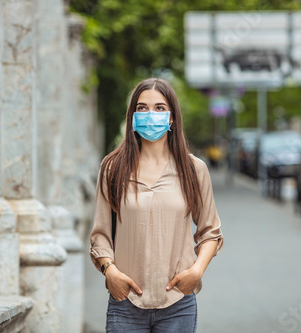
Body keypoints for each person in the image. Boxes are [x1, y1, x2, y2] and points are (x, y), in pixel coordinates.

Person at [89, 77, 224, 333]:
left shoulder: (194, 169)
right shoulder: (112, 167)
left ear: (172, 118)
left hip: (178, 303)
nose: (150, 114)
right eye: (142, 108)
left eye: (160, 108)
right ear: (132, 116)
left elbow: (210, 232)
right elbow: (100, 235)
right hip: (124, 301)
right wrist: (110, 272)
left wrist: (197, 271)